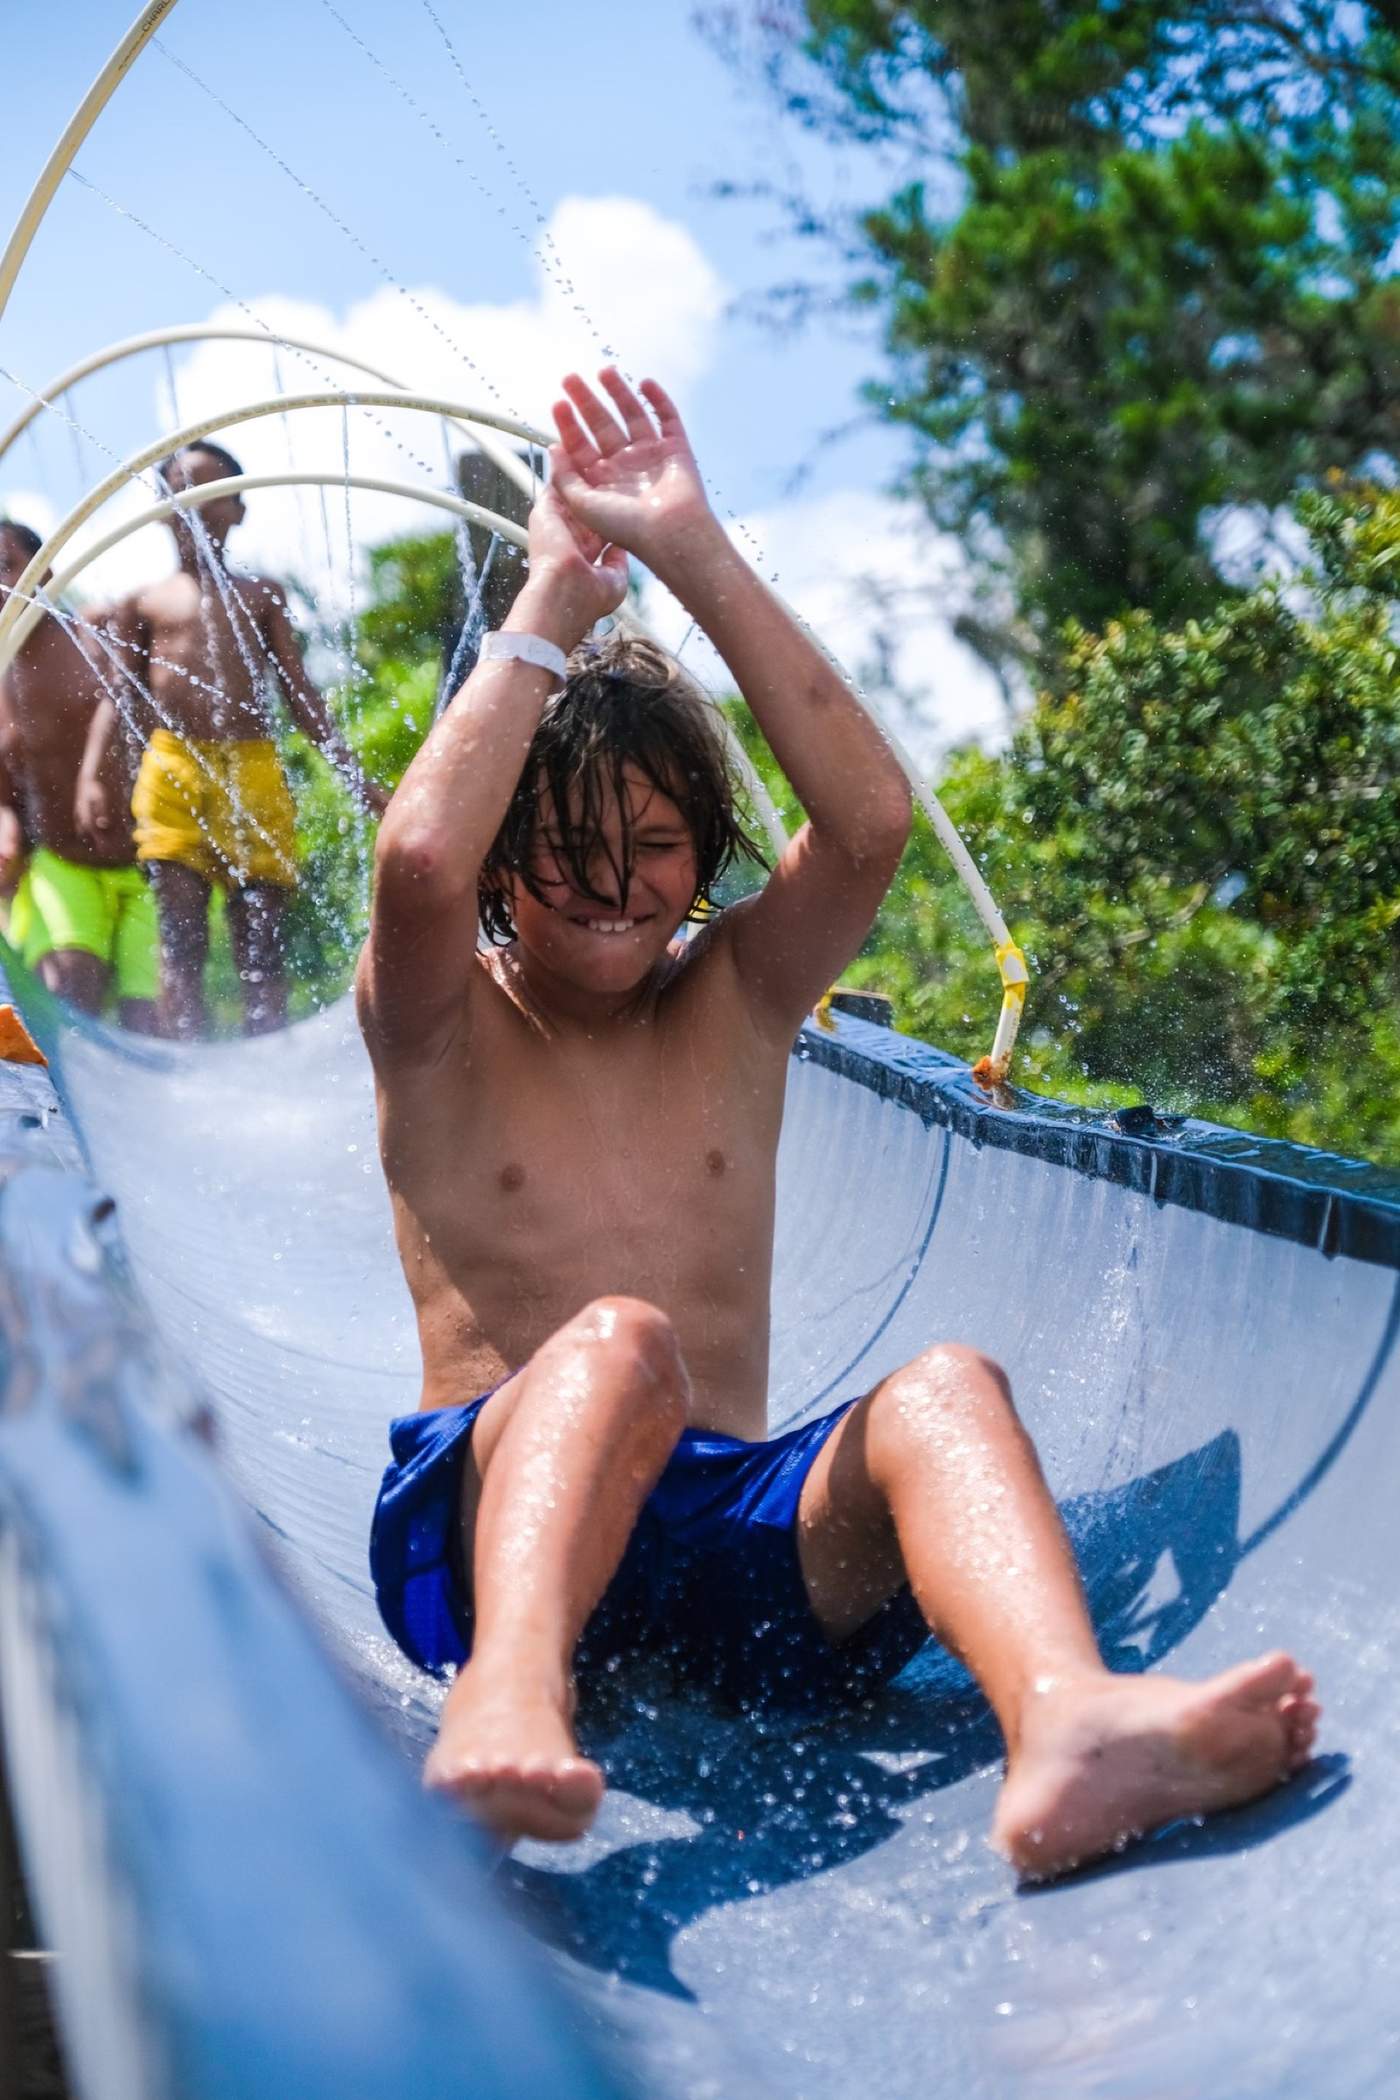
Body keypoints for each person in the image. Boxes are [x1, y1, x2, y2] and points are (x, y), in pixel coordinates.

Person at [359, 369, 1318, 1876]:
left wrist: (688, 546)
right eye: (568, 852)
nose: (617, 887)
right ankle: (510, 1699)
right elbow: (415, 863)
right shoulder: (440, 1022)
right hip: (504, 1538)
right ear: (505, 862)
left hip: (739, 1553)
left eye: (659, 847)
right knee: (618, 1342)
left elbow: (870, 826)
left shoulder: (733, 995)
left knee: (946, 1389)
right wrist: (555, 588)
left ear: (707, 858)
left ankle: (1071, 1724)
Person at [77, 442, 388, 1037]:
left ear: (239, 510)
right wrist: (94, 774)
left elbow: (302, 697)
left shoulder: (261, 594)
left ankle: (266, 1063)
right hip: (173, 770)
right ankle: (190, 1065)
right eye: (178, 490)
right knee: (181, 936)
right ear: (162, 510)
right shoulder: (142, 602)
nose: (193, 504)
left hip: (253, 771)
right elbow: (119, 694)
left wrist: (354, 778)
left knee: (259, 943)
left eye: (209, 491)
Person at [0, 518, 159, 1031]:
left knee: (152, 1020)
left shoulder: (100, 637)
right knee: (71, 998)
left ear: (44, 572)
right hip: (61, 862)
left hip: (147, 864)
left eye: (6, 567)